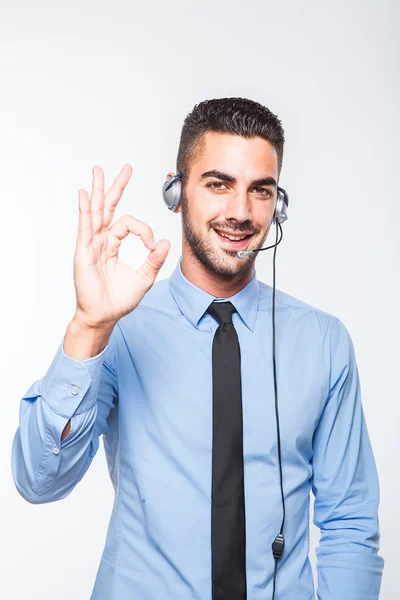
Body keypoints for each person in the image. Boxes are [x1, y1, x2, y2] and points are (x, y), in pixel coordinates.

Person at [11, 97, 384, 600]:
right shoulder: (120, 330)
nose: (239, 212)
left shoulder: (323, 342)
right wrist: (88, 325)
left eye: (260, 191)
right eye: (218, 184)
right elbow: (40, 479)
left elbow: (350, 522)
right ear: (176, 192)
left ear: (279, 204)